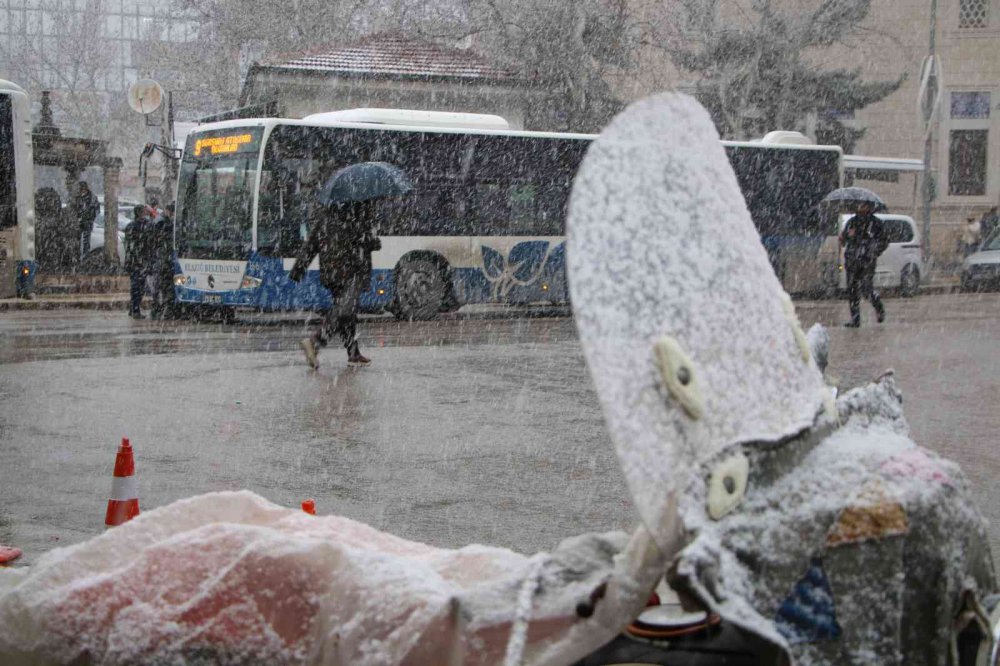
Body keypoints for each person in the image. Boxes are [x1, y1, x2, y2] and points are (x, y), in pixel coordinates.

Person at [290, 199, 382, 368]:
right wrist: (373, 240)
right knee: (344, 310)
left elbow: (311, 245)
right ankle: (315, 342)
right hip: (352, 271)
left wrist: (298, 269)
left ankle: (353, 353)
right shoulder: (357, 218)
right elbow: (368, 243)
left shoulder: (326, 217)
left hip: (332, 273)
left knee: (347, 313)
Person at [839, 201, 888, 328]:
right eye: (859, 205)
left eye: (864, 205)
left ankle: (879, 308)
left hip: (867, 261)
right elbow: (844, 240)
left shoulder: (875, 223)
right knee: (852, 290)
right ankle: (855, 319)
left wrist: (874, 251)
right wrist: (845, 237)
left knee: (867, 289)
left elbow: (884, 240)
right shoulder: (852, 222)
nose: (861, 207)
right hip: (852, 261)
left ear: (869, 207)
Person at [124, 204, 154, 319]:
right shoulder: (141, 226)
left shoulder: (133, 226)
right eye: (144, 211)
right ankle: (135, 309)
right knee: (138, 287)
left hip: (136, 261)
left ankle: (133, 308)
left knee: (137, 286)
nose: (146, 213)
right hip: (138, 261)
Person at [148, 203, 176, 319]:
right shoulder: (162, 223)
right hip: (162, 260)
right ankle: (160, 310)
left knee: (162, 287)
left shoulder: (161, 221)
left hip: (163, 260)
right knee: (161, 287)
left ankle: (161, 310)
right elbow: (157, 241)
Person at [74, 182, 99, 260]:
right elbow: (74, 208)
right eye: (81, 189)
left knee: (86, 240)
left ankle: (85, 257)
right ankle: (77, 256)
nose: (82, 190)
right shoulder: (77, 197)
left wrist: (90, 218)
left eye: (84, 188)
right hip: (79, 222)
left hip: (87, 222)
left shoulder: (92, 197)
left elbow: (96, 209)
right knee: (77, 240)